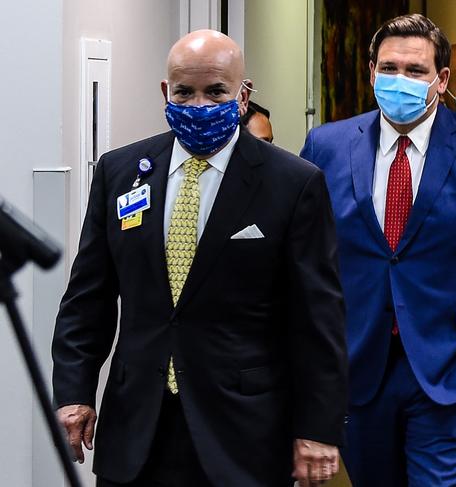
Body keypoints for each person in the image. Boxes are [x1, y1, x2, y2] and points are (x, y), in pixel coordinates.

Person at [52, 29, 348, 487]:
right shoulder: (121, 172)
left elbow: (317, 318)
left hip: (242, 431)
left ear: (243, 95)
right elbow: (87, 298)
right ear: (165, 92)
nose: (199, 106)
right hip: (137, 428)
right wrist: (74, 392)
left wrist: (316, 428)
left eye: (216, 92)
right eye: (185, 92)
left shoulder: (293, 184)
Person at [300, 14, 456, 487]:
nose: (400, 80)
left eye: (415, 71)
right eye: (389, 68)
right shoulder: (326, 145)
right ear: (371, 72)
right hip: (361, 366)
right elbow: (305, 258)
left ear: (441, 80)